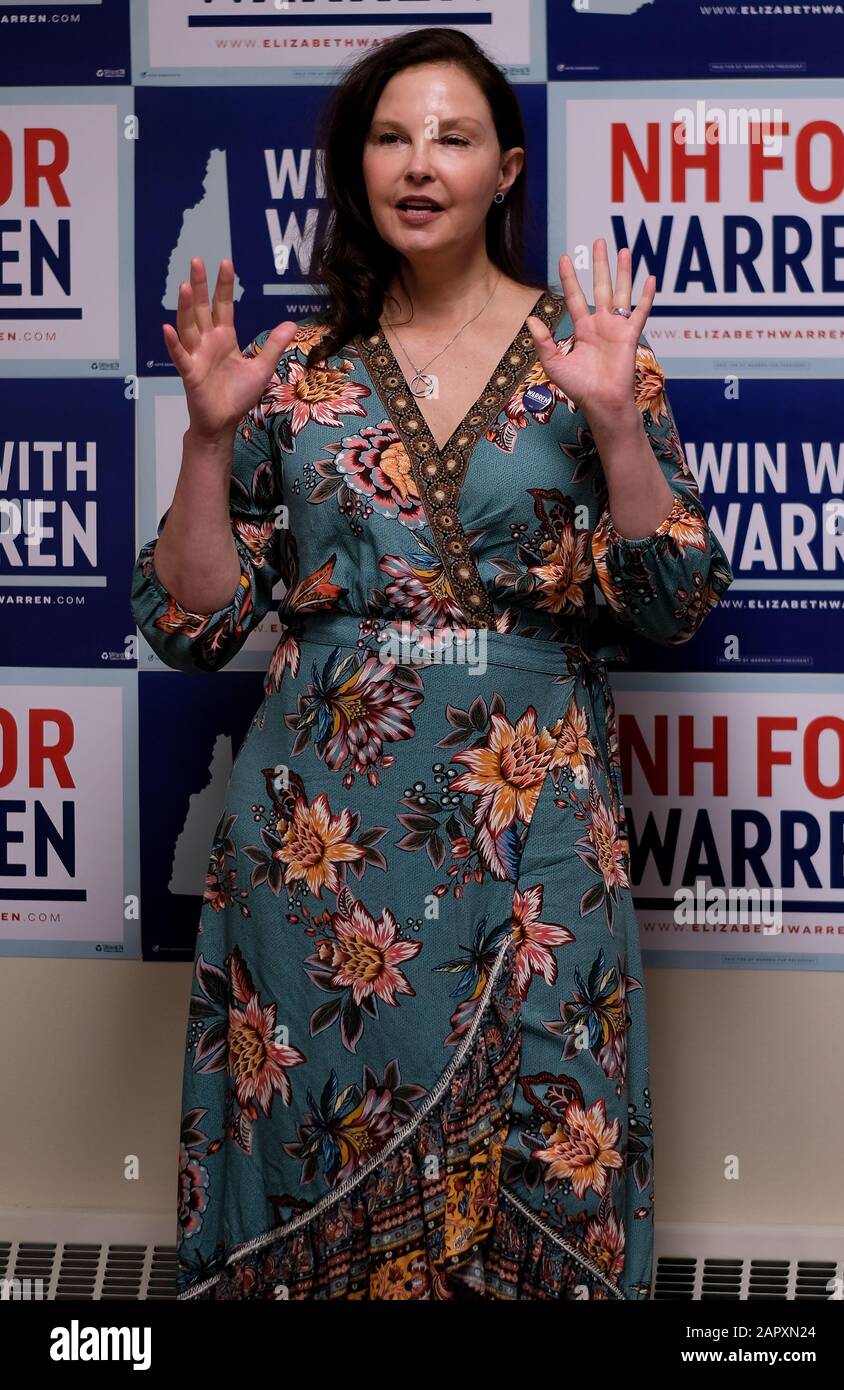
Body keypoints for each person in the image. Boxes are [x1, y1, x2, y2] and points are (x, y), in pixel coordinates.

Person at [131, 27, 734, 1302]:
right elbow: (188, 626)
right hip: (319, 844)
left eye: (452, 139)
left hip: (539, 824)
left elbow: (674, 601)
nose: (420, 165)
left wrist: (619, 425)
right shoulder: (290, 372)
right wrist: (202, 440)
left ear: (505, 168)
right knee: (317, 1148)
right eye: (391, 138)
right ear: (355, 168)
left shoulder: (590, 353)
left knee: (544, 1152)